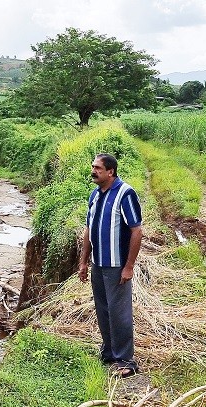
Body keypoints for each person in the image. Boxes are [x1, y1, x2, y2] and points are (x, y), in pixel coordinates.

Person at [78, 153, 143, 378]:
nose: (93, 171)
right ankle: (109, 352)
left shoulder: (125, 194)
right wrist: (84, 262)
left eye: (97, 168)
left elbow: (136, 230)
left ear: (110, 172)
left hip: (117, 265)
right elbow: (88, 229)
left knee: (119, 313)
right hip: (98, 264)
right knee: (103, 310)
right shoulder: (95, 195)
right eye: (93, 167)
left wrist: (129, 266)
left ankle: (126, 360)